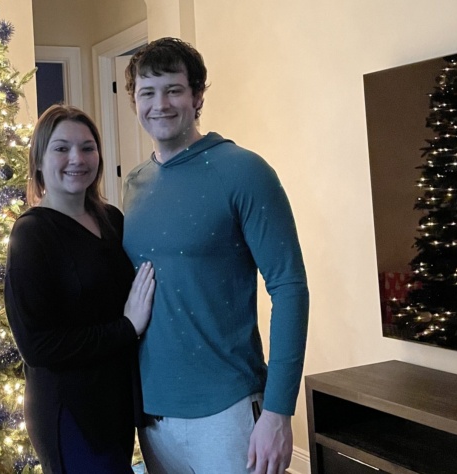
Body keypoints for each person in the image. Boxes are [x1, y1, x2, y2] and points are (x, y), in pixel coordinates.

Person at [121, 37, 309, 474]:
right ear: (134, 102)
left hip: (229, 412)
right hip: (153, 418)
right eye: (147, 93)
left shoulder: (245, 171)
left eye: (173, 90)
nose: (159, 104)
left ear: (198, 96)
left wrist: (278, 411)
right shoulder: (134, 183)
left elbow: (289, 287)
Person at [4, 104, 155, 473]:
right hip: (69, 411)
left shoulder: (113, 220)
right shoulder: (32, 234)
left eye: (88, 147)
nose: (78, 158)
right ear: (39, 160)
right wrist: (126, 328)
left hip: (116, 402)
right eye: (62, 148)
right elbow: (37, 346)